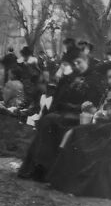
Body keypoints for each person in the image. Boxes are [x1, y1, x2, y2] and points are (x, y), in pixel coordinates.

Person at [47, 50, 111, 200]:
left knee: (81, 134)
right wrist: (107, 114)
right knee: (79, 132)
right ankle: (61, 180)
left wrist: (109, 115)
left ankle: (74, 184)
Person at [18, 48, 105, 181]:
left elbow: (91, 104)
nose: (77, 66)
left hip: (82, 116)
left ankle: (43, 168)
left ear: (86, 60)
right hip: (66, 113)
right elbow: (63, 97)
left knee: (51, 121)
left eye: (79, 62)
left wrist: (70, 106)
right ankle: (37, 167)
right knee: (47, 121)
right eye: (74, 63)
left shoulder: (95, 79)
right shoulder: (73, 77)